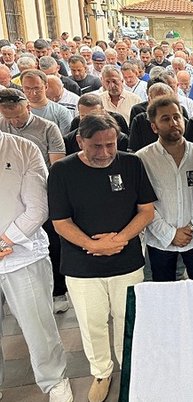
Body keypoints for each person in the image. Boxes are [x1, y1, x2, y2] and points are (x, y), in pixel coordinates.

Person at [48, 112, 156, 402]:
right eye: (97, 146)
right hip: (81, 263)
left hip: (126, 259)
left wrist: (118, 240)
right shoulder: (62, 171)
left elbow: (146, 211)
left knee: (127, 318)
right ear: (80, 141)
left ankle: (129, 366)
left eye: (111, 144)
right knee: (92, 321)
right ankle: (101, 372)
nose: (106, 152)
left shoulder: (131, 163)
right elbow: (60, 222)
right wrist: (92, 245)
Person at [0, 129, 74, 402]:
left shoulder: (23, 148)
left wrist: (5, 241)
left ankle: (54, 379)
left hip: (22, 255)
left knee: (38, 327)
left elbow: (38, 208)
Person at [136, 96, 193, 281]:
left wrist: (192, 227)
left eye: (177, 117)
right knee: (164, 291)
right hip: (160, 240)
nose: (174, 123)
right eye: (166, 119)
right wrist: (170, 234)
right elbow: (143, 204)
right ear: (154, 127)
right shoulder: (142, 159)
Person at [64, 93, 130, 155]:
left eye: (93, 115)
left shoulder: (121, 139)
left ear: (103, 111)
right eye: (83, 116)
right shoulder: (69, 140)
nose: (89, 120)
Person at [21, 69, 73, 135]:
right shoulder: (18, 113)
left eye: (37, 88)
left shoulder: (61, 112)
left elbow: (67, 138)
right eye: (27, 88)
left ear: (46, 87)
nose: (33, 93)